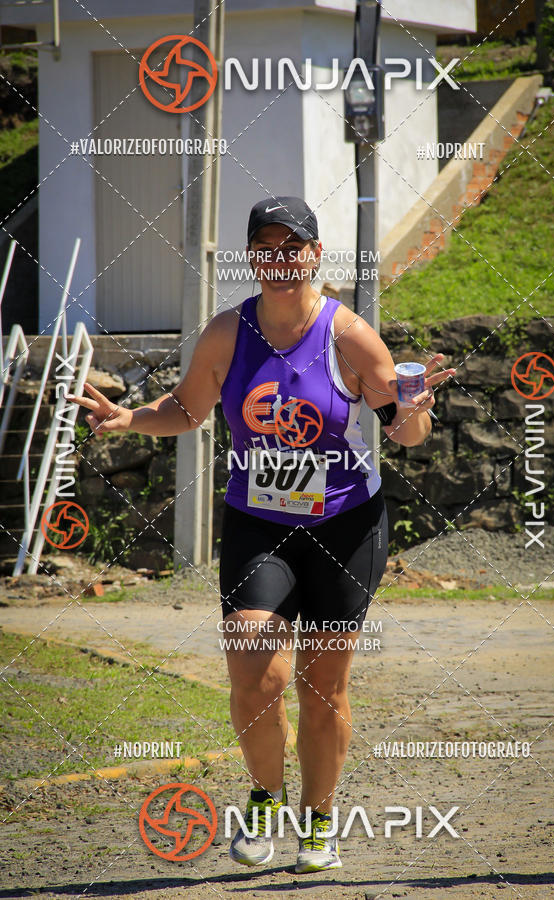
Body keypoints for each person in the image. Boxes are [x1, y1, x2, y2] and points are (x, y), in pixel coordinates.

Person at [69, 196, 455, 873]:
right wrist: (129, 418)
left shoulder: (350, 335)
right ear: (252, 257)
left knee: (322, 685)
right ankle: (265, 797)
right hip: (260, 524)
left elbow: (406, 428)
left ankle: (319, 819)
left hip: (345, 525)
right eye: (266, 247)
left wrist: (414, 412)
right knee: (254, 671)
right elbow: (187, 408)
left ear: (314, 253)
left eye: (292, 246)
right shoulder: (227, 332)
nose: (279, 260)